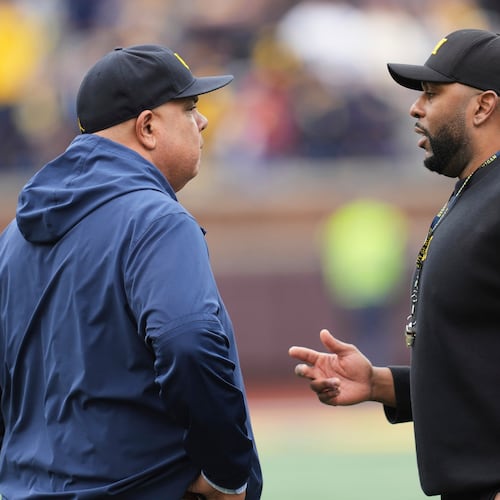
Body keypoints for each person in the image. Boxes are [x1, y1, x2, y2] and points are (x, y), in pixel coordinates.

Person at [0, 44, 262, 499]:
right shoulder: (155, 219)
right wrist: (225, 471)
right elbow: (189, 342)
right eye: (190, 108)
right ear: (147, 127)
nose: (202, 122)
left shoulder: (15, 236)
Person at [289, 28, 500, 500]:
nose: (415, 108)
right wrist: (381, 384)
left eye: (431, 93)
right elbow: (478, 365)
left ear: (483, 106)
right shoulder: (473, 191)